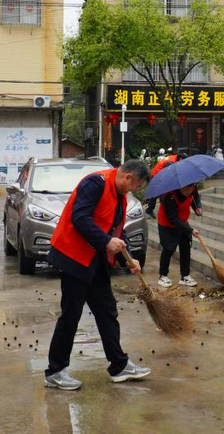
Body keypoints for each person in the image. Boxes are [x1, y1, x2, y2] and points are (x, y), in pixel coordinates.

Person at [44, 160, 153, 391]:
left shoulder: (120, 195)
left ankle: (119, 366)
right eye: (135, 186)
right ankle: (55, 371)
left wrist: (128, 259)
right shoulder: (95, 183)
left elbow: (117, 231)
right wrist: (106, 241)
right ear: (127, 177)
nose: (134, 191)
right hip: (74, 258)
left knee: (107, 312)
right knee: (71, 315)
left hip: (96, 261)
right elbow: (80, 218)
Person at [157, 183, 201, 289]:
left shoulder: (193, 189)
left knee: (186, 248)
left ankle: (185, 276)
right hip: (167, 224)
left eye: (190, 189)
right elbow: (173, 218)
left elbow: (195, 198)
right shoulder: (169, 195)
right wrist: (190, 230)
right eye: (186, 190)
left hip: (183, 222)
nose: (188, 192)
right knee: (168, 249)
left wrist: (197, 208)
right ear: (180, 187)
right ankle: (163, 275)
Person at [145, 153, 183, 218]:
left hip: (157, 175)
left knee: (157, 194)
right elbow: (169, 174)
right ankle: (154, 211)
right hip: (156, 176)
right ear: (181, 159)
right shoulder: (170, 162)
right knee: (160, 194)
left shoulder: (174, 157)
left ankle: (150, 210)